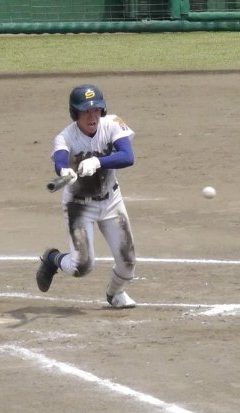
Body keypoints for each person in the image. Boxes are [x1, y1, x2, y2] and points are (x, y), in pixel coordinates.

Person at [36, 84, 137, 309]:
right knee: (81, 266)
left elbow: (127, 156)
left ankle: (115, 293)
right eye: (85, 111)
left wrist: (98, 161)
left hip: (111, 201)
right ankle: (53, 259)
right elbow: (61, 160)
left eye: (96, 110)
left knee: (128, 263)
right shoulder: (65, 137)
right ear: (75, 113)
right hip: (79, 206)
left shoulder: (112, 124)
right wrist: (64, 171)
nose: (92, 116)